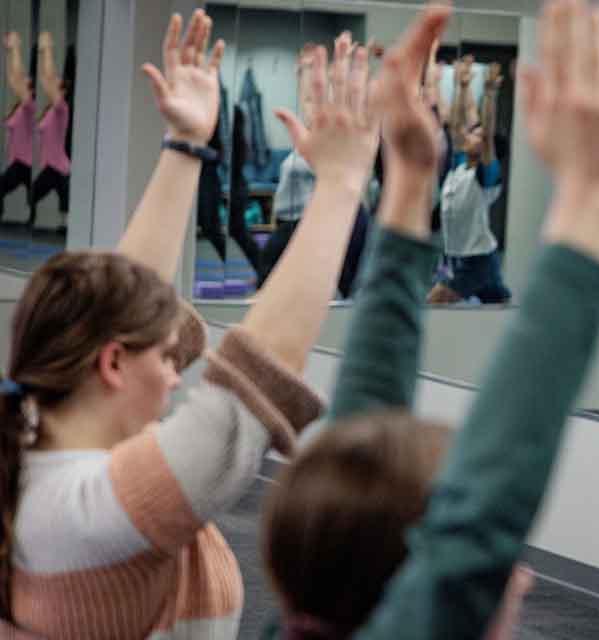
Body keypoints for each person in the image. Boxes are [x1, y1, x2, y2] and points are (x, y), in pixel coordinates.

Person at [261, 1, 599, 638]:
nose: (519, 577)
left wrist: (408, 177)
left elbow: (364, 444)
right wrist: (595, 199)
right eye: (503, 568)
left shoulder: (303, 621)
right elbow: (479, 521)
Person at [0, 9, 367, 636]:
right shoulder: (83, 515)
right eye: (168, 360)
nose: (177, 379)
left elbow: (116, 303)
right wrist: (341, 183)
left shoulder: (42, 436)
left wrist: (186, 146)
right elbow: (252, 383)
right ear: (112, 365)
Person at [259, 38, 371, 298]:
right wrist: (304, 71)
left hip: (334, 221)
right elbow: (308, 99)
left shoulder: (328, 129)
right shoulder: (308, 135)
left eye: (309, 71)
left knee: (338, 290)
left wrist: (310, 71)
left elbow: (313, 99)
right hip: (297, 223)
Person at [427, 56, 511, 304]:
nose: (469, 134)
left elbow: (486, 133)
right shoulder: (459, 166)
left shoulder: (485, 176)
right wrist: (462, 88)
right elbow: (455, 126)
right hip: (456, 257)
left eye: (476, 135)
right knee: (499, 308)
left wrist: (491, 96)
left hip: (476, 260)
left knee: (434, 303)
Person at [31, 31, 71, 232]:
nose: (51, 85)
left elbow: (47, 78)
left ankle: (64, 226)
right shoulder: (50, 111)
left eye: (56, 84)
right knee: (35, 194)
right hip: (52, 166)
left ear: (62, 91)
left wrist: (47, 49)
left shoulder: (61, 108)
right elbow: (45, 79)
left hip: (59, 168)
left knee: (38, 194)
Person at [0, 32, 34, 224]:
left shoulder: (29, 106)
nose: (22, 82)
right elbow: (13, 78)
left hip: (26, 163)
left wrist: (15, 49)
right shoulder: (19, 108)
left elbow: (16, 77)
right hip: (18, 163)